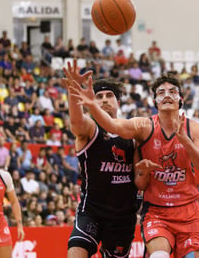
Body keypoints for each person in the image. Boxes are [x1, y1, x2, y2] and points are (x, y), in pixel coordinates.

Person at [69, 74, 199, 258]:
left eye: (172, 91)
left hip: (187, 210)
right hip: (156, 211)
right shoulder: (144, 127)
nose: (167, 95)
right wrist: (90, 104)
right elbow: (112, 126)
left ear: (181, 99)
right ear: (155, 101)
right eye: (161, 92)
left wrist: (186, 142)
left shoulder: (194, 129)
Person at [63, 59, 145, 258]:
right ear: (92, 101)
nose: (105, 99)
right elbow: (76, 123)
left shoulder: (133, 133)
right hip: (92, 211)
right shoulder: (91, 128)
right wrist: (74, 92)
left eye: (110, 96)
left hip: (123, 216)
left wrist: (146, 172)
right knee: (75, 253)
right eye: (99, 96)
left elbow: (139, 180)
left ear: (118, 102)